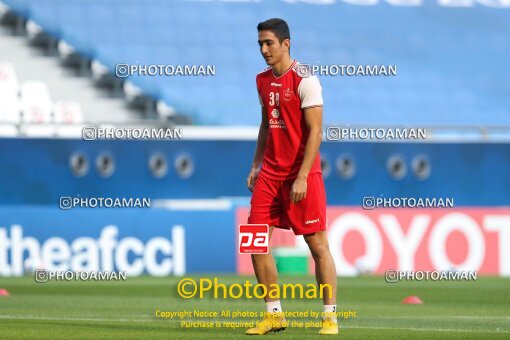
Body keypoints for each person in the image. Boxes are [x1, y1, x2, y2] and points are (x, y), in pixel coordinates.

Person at [245, 18, 338, 336]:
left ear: (286, 44)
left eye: (269, 43)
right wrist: (257, 162)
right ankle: (274, 315)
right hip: (270, 174)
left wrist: (301, 177)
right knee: (254, 242)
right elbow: (265, 124)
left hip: (302, 175)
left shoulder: (305, 79)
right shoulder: (261, 80)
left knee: (318, 247)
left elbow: (316, 132)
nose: (263, 49)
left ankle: (329, 317)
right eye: (260, 43)